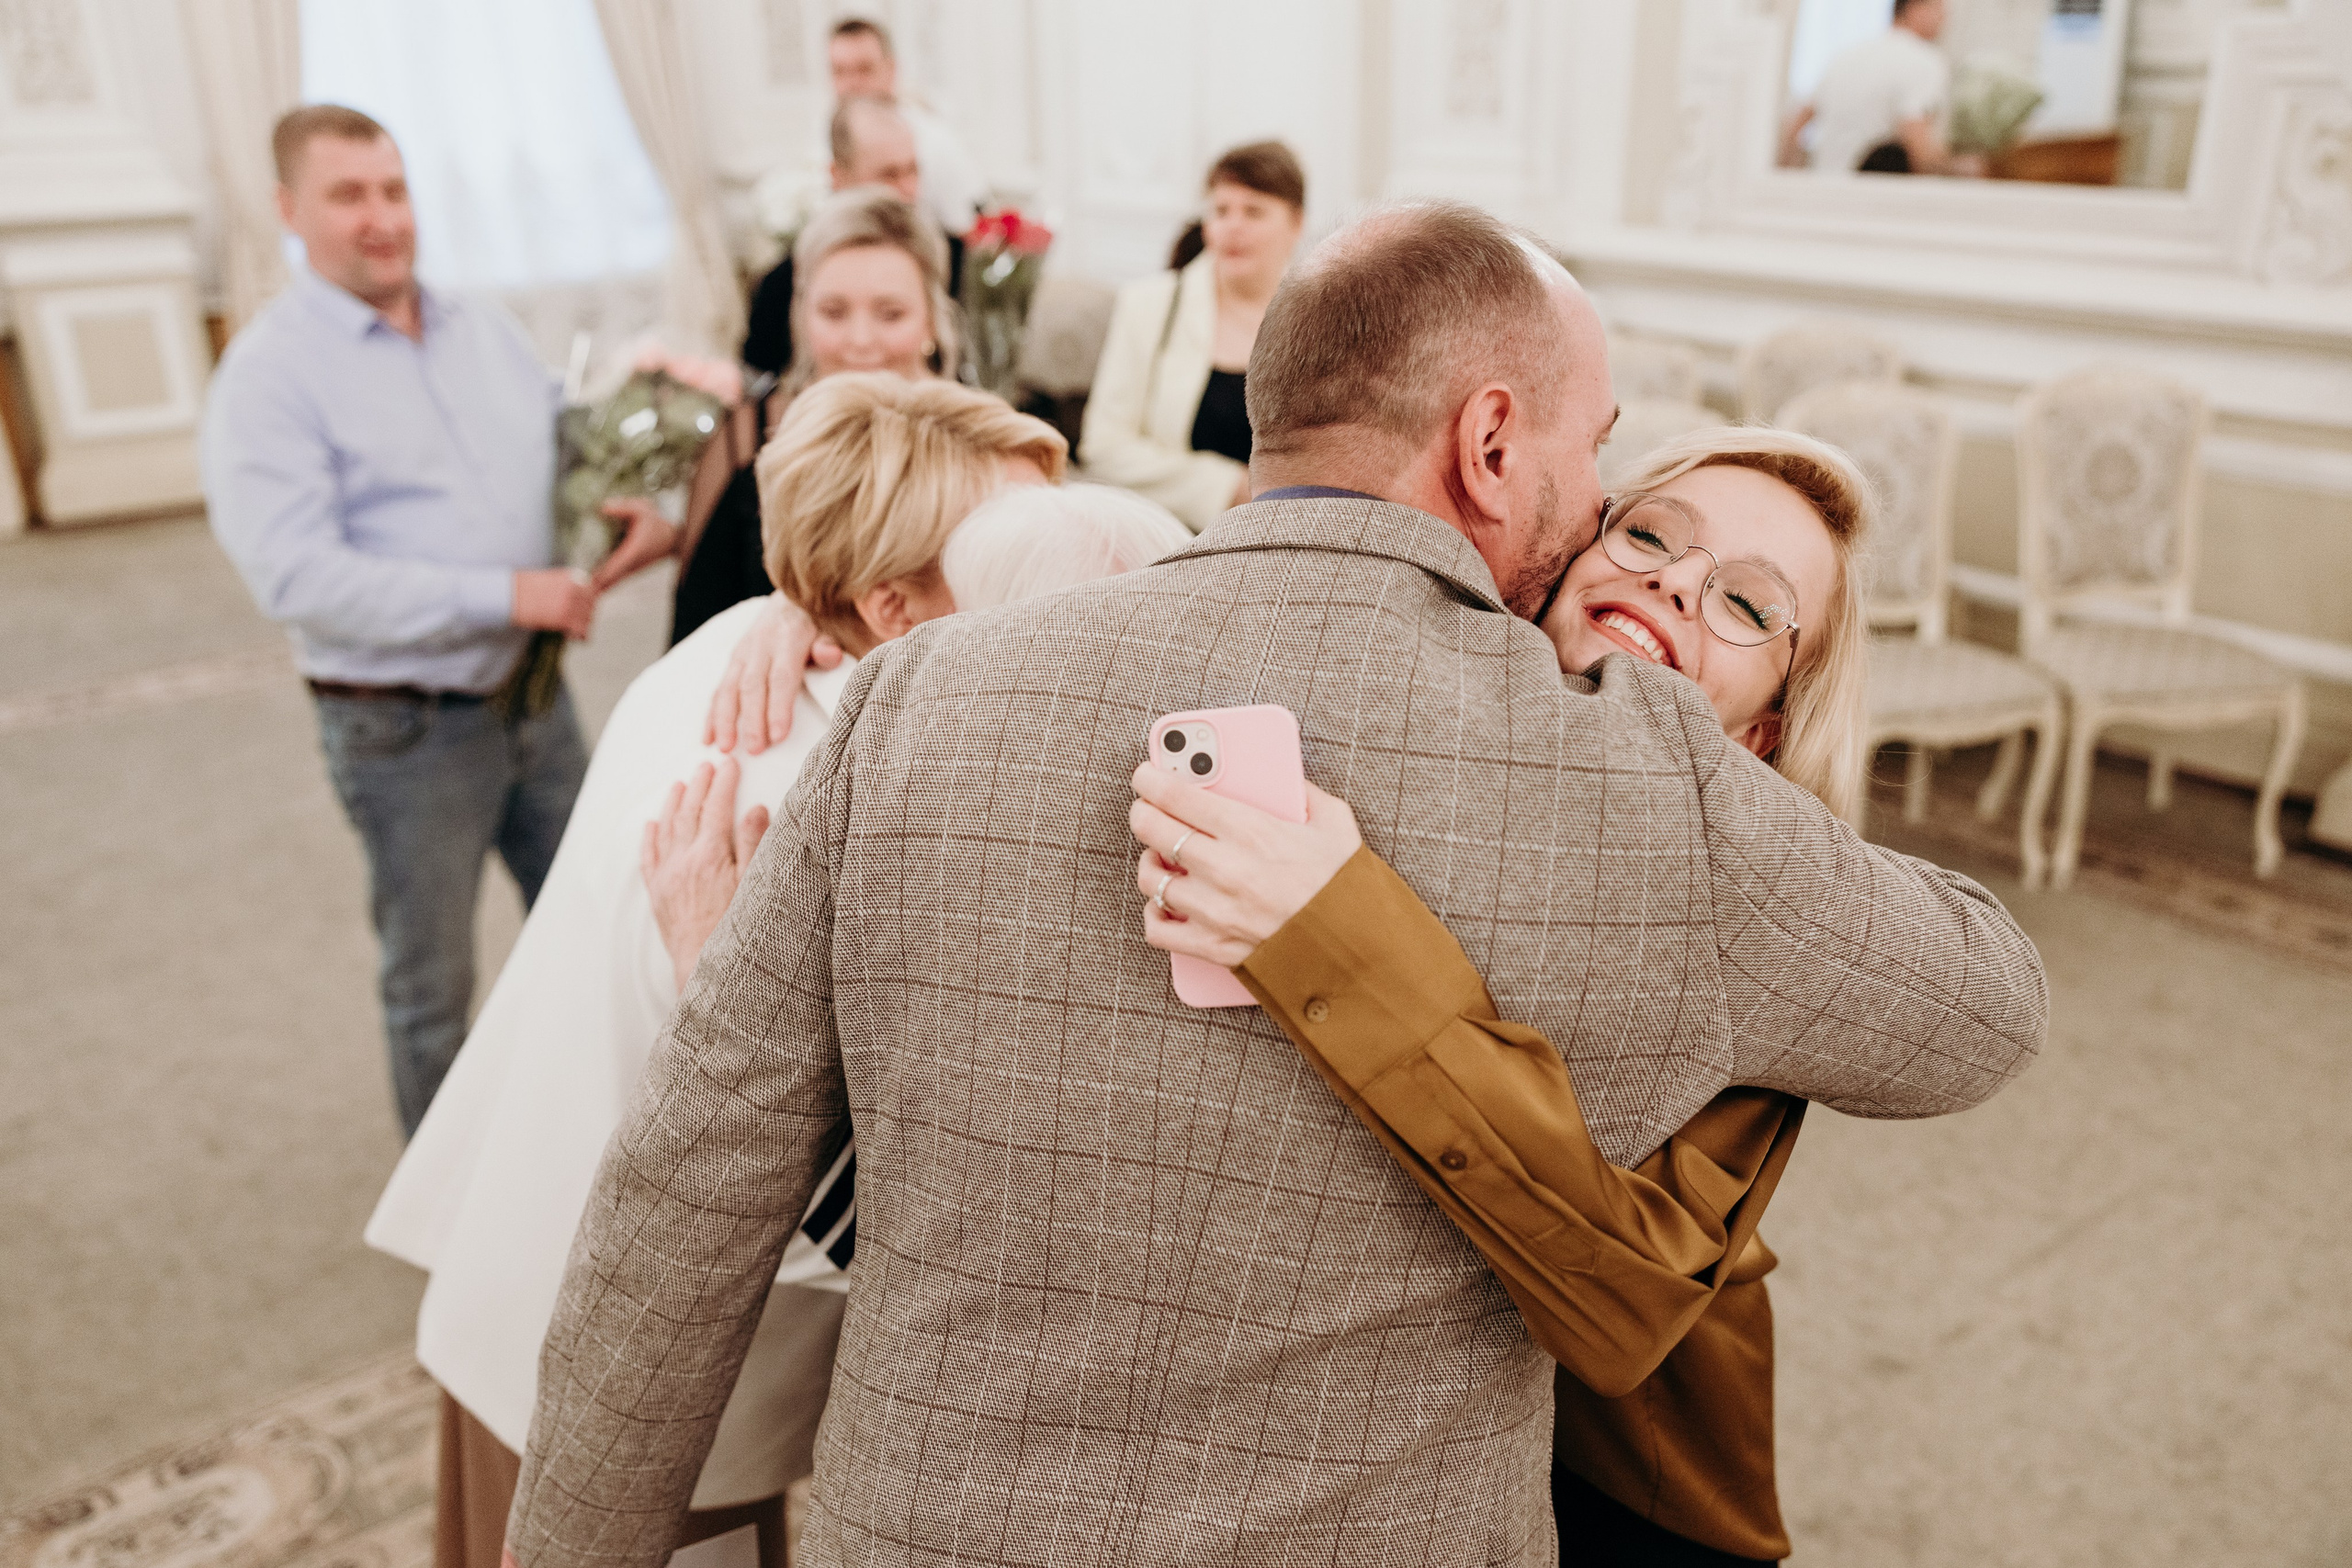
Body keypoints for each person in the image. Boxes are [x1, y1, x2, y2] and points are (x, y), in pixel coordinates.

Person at [506, 201, 2045, 1568]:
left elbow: (685, 1199)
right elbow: (1989, 1010)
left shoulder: (926, 692)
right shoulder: (1654, 793)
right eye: (1599, 456)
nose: (1597, 513)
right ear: (1492, 444)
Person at [368, 377, 1163, 1568]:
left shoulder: (745, 650)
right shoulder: (846, 814)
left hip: (536, 1280)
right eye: (1017, 553)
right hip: (641, 1386)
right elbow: (870, 1204)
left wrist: (793, 608)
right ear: (892, 604)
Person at [1123, 426, 1890, 1565]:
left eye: (1745, 603)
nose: (1676, 581)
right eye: (1650, 536)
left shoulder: (1753, 935)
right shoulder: (1398, 738)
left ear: (1761, 732)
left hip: (1629, 1473)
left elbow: (1620, 1302)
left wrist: (1337, 937)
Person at [201, 105, 676, 1137]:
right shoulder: (267, 377)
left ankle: (607, 1140)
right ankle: (450, 1206)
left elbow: (555, 442)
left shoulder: (480, 326)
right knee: (433, 989)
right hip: (403, 731)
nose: (382, 217)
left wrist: (622, 511)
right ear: (288, 210)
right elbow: (298, 578)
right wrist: (506, 595)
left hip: (534, 699)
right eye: (348, 195)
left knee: (606, 920)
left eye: (393, 188)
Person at [673, 186, 958, 645]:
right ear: (801, 317)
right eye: (833, 312)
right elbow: (693, 636)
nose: (860, 340)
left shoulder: (977, 441)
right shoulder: (747, 438)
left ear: (930, 318)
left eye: (890, 314)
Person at [1079, 141, 1307, 530]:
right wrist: (1227, 487)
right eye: (1221, 211)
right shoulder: (1148, 306)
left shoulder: (1321, 319)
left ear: (1296, 224)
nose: (1233, 226)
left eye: (1254, 212)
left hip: (1286, 533)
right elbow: (1103, 444)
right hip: (1172, 535)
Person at [741, 96, 965, 380]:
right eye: (889, 174)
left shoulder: (954, 258)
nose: (908, 189)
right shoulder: (780, 285)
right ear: (839, 176)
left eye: (913, 171)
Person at [824, 17, 987, 243]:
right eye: (840, 71)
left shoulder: (937, 143)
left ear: (891, 70)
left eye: (864, 69)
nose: (852, 84)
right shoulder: (822, 142)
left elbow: (972, 234)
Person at [1779, 0, 1980, 177]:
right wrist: (1967, 169)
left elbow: (1795, 127)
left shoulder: (1846, 57)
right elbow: (1918, 149)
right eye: (1939, 9)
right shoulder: (1925, 62)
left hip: (1824, 191)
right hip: (1875, 197)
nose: (1945, 18)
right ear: (1914, 8)